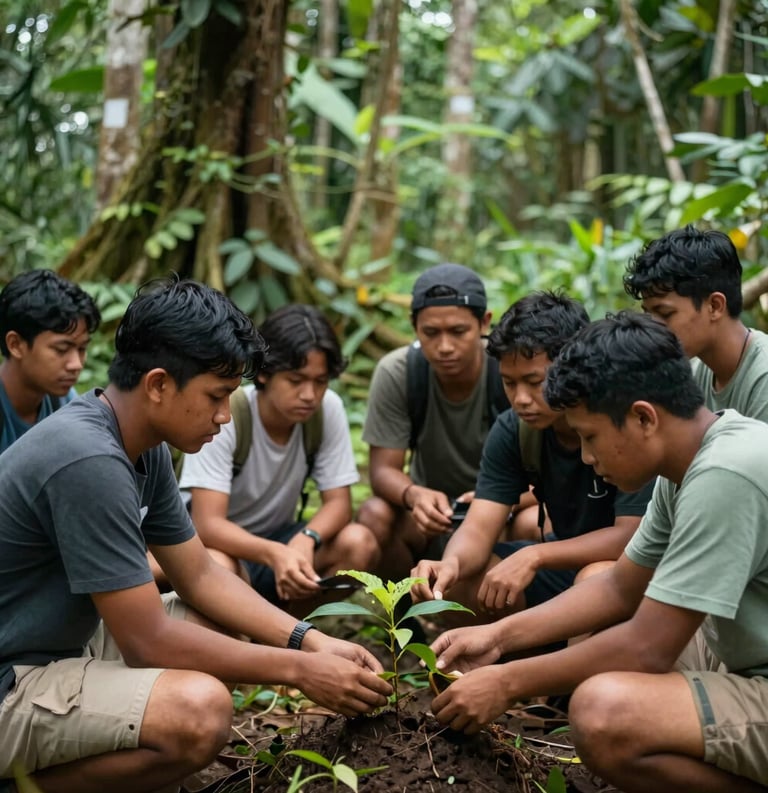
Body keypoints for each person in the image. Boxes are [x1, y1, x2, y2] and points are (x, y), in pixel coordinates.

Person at [0, 279, 391, 793]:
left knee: (213, 623)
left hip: (61, 645)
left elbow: (201, 573)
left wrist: (311, 641)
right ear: (159, 384)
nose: (225, 415)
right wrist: (299, 670)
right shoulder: (89, 459)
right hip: (13, 677)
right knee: (199, 711)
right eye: (216, 396)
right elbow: (146, 641)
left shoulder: (142, 443)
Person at [428, 311, 768, 793]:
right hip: (745, 662)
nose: (587, 457)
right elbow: (618, 586)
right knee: (604, 646)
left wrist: (505, 684)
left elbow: (649, 646)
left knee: (604, 711)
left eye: (591, 437)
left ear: (643, 417)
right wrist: (498, 637)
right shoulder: (694, 462)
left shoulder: (726, 475)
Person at [411, 291, 653, 617]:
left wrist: (536, 556)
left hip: (629, 571)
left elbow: (630, 535)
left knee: (592, 580)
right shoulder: (515, 429)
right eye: (509, 384)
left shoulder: (620, 422)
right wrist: (450, 563)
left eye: (534, 381)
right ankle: (489, 660)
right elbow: (481, 523)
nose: (521, 399)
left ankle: (573, 667)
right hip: (561, 559)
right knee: (464, 581)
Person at [179, 304, 381, 613]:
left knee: (358, 542)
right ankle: (251, 642)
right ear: (263, 374)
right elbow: (207, 524)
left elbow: (339, 503)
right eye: (296, 380)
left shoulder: (327, 410)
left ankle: (287, 634)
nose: (309, 395)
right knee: (220, 565)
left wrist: (306, 539)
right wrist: (274, 553)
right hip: (222, 549)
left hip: (279, 539)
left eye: (320, 381)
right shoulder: (227, 414)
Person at [358, 262, 529, 580]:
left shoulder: (510, 374)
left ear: (484, 322)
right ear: (413, 325)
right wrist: (414, 495)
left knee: (532, 523)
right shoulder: (399, 372)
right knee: (374, 515)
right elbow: (382, 470)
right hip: (430, 517)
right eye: (431, 333)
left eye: (458, 331)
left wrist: (500, 501)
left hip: (504, 514)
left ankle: (523, 623)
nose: (445, 346)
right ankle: (406, 621)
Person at [624, 224, 768, 422]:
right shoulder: (694, 373)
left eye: (665, 314)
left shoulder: (763, 377)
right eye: (648, 314)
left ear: (715, 306)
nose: (652, 328)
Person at [0, 269, 101, 453]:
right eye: (61, 349)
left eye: (82, 349)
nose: (76, 364)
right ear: (15, 345)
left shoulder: (64, 404)